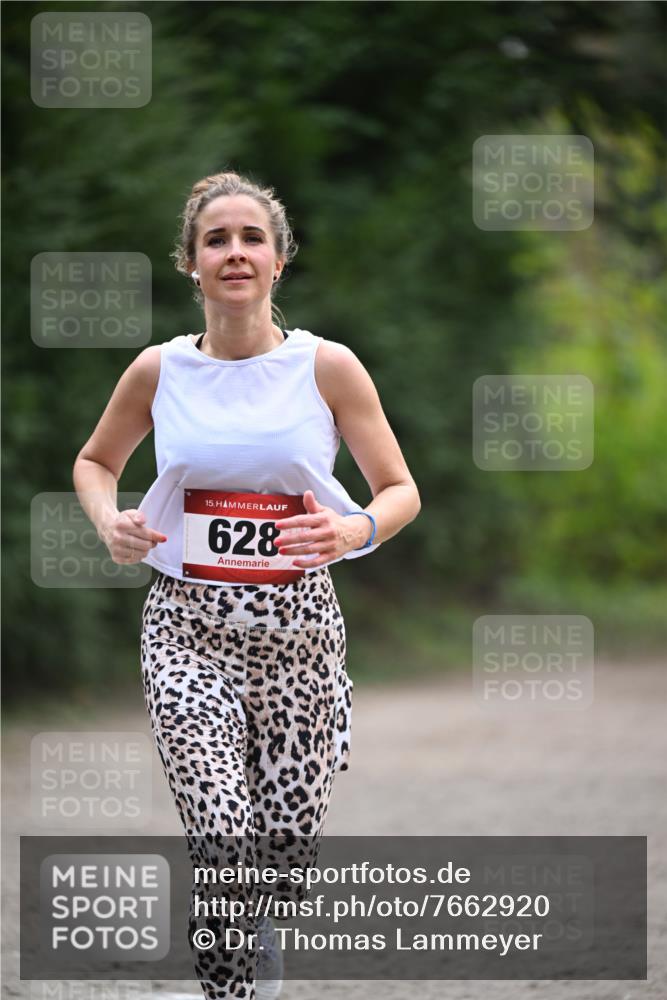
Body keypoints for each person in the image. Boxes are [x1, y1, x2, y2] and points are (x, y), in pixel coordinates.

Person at [72, 170, 421, 1000]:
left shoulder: (327, 367)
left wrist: (352, 528)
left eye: (250, 238)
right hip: (186, 630)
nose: (234, 253)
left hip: (298, 635)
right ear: (190, 263)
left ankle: (263, 924)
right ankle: (233, 990)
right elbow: (94, 463)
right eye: (216, 240)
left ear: (279, 258)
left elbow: (400, 489)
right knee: (222, 838)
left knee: (283, 860)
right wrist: (109, 521)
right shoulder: (158, 371)